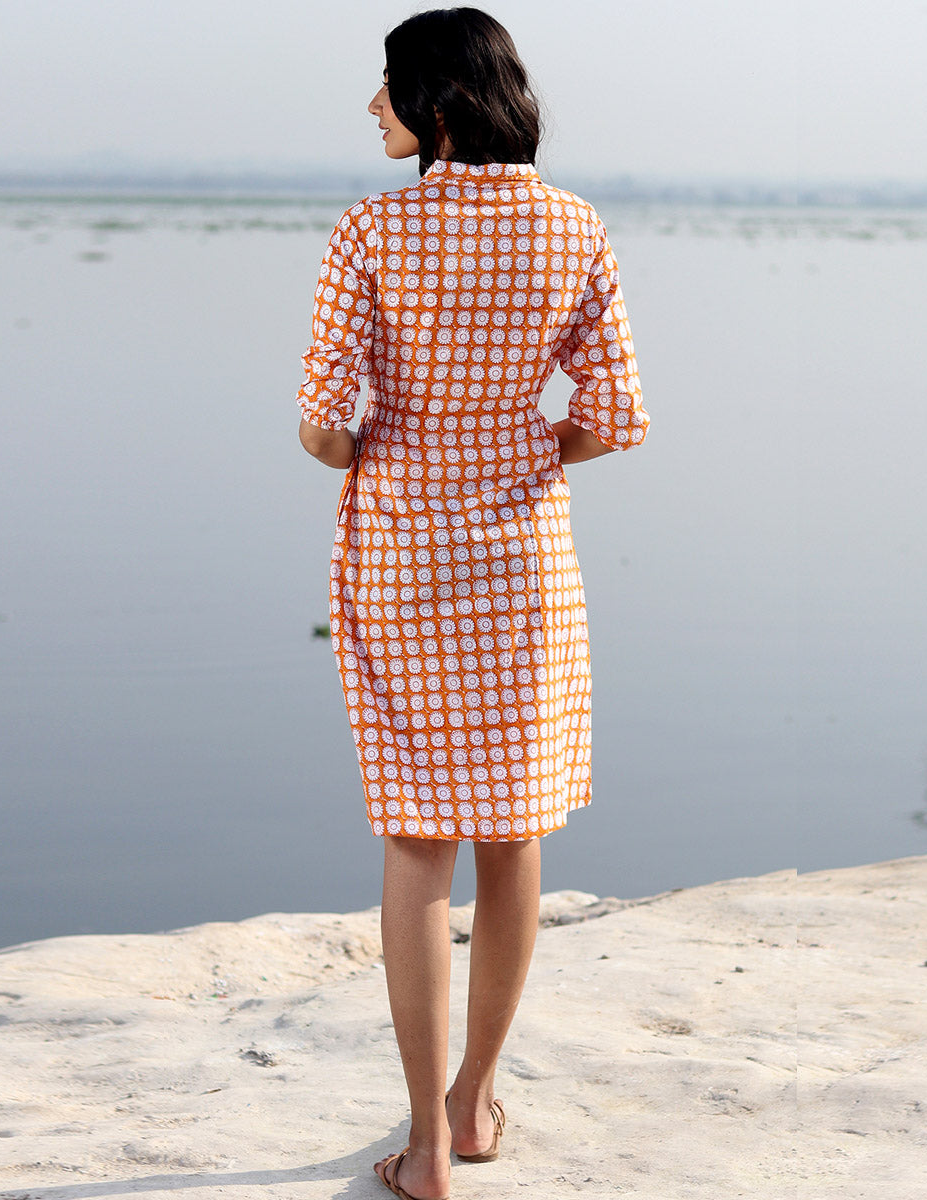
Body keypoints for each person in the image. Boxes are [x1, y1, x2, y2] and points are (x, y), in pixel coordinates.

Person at [296, 9, 648, 1198]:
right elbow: (614, 416)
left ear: (437, 100)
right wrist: (520, 445)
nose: (372, 107)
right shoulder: (573, 224)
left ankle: (425, 1148)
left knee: (417, 835)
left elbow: (326, 429)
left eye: (386, 86)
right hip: (521, 562)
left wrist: (369, 445)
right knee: (513, 828)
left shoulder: (371, 229)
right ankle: (475, 1102)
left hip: (404, 557)